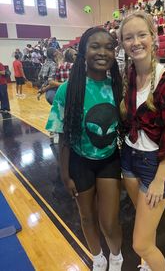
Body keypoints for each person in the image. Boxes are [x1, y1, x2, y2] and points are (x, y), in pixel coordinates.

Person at [46, 27, 123, 271]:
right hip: (80, 162)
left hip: (109, 159)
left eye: (109, 47)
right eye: (95, 46)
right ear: (82, 52)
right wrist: (65, 174)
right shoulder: (67, 90)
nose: (103, 52)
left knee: (109, 221)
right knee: (87, 216)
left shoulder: (118, 87)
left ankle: (116, 257)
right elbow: (63, 136)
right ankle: (98, 257)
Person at [119, 11, 165, 271]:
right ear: (122, 43)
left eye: (141, 35)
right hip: (129, 160)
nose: (135, 42)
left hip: (153, 166)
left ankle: (148, 260)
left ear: (153, 37)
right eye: (128, 37)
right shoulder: (129, 75)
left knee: (140, 244)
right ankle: (148, 265)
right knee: (146, 227)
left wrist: (159, 179)